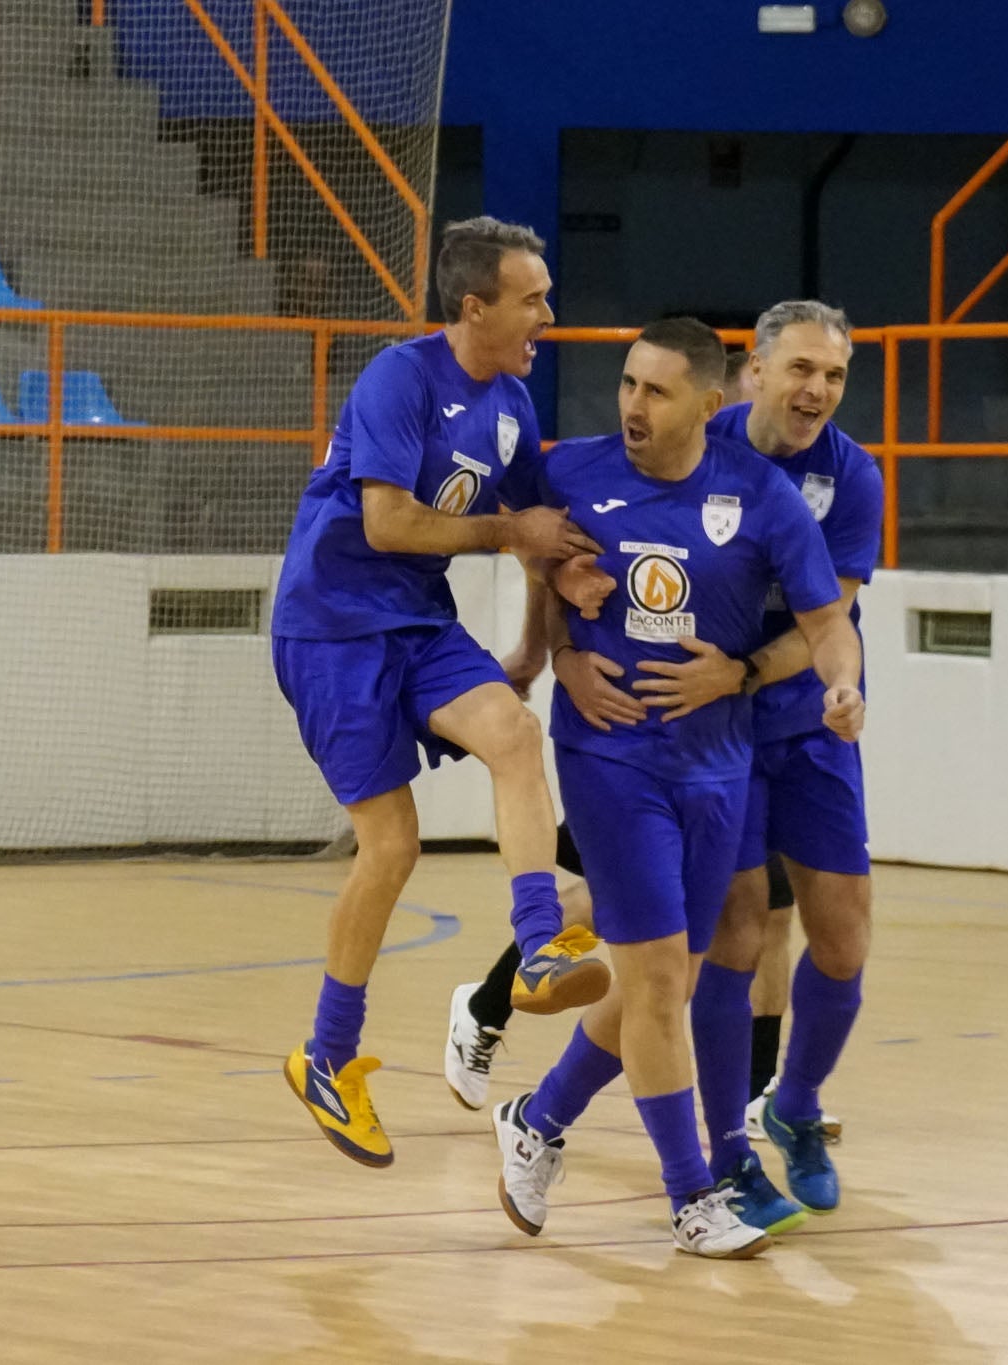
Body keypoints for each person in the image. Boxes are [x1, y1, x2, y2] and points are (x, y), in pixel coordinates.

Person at [489, 316, 865, 1259]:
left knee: (671, 978)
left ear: (710, 404)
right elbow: (527, 542)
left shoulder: (766, 497)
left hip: (721, 762)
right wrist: (559, 646)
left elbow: (828, 620)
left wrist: (843, 682)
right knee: (660, 977)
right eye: (625, 383)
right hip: (612, 756)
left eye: (654, 391)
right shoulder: (569, 469)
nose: (631, 405)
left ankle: (538, 1116)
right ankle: (694, 1193)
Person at [269, 217, 612, 1169]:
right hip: (332, 629)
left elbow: (542, 521)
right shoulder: (400, 379)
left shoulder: (508, 398)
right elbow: (386, 523)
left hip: (416, 619)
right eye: (533, 297)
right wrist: (514, 536)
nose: (549, 312)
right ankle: (327, 1056)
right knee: (393, 845)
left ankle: (539, 946)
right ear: (475, 306)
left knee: (513, 730)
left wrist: (572, 580)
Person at [604, 300, 878, 1223]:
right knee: (732, 930)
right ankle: (725, 1153)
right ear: (752, 374)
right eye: (801, 369)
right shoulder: (698, 437)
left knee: (842, 938)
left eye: (834, 376)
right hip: (709, 735)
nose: (817, 391)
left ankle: (792, 1104)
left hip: (799, 718)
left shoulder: (854, 478)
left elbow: (825, 619)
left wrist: (815, 685)